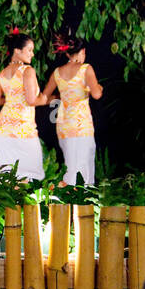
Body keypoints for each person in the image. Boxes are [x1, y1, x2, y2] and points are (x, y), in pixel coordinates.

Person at [38, 34, 103, 186]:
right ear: (83, 51)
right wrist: (98, 87)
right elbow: (97, 94)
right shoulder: (86, 69)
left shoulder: (57, 72)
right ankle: (79, 200)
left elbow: (43, 98)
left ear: (67, 53)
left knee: (71, 163)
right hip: (81, 125)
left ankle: (66, 196)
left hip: (64, 125)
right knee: (84, 165)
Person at [0, 29, 44, 180]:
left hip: (3, 129)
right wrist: (46, 99)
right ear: (17, 51)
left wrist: (11, 101)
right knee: (32, 174)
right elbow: (32, 100)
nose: (32, 54)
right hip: (23, 129)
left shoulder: (4, 72)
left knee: (7, 176)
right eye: (29, 50)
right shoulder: (27, 70)